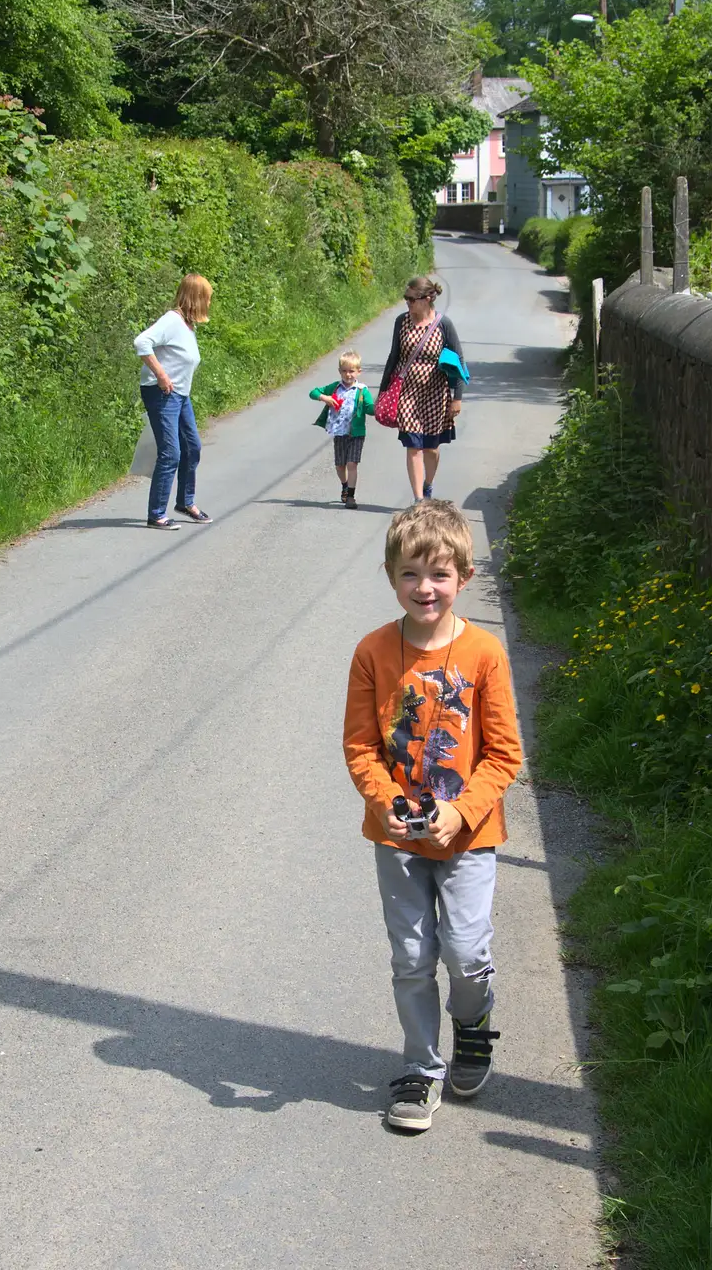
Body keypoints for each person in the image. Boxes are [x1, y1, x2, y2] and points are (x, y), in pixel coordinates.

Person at [343, 501, 522, 1132]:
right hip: (396, 836)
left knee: (465, 951)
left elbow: (504, 753)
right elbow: (361, 745)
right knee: (412, 957)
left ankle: (472, 1024)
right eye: (412, 574)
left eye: (440, 574)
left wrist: (461, 811)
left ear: (464, 577)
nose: (426, 588)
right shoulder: (372, 652)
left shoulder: (484, 654)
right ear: (391, 576)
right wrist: (385, 800)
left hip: (468, 835)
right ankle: (421, 1069)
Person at [133, 274, 213, 530]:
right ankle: (156, 514)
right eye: (207, 298)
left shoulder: (189, 326)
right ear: (196, 298)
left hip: (180, 395)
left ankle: (185, 502)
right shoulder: (172, 321)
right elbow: (141, 342)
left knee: (193, 447)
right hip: (162, 394)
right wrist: (161, 374)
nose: (209, 303)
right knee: (171, 453)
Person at [378, 276, 466, 503]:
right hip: (407, 393)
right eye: (406, 298)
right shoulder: (402, 321)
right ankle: (418, 500)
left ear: (427, 299)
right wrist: (383, 391)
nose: (407, 303)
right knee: (413, 446)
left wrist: (457, 398)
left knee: (431, 448)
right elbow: (393, 357)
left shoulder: (443, 324)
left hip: (436, 395)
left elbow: (458, 360)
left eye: (411, 299)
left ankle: (428, 485)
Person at [309, 350, 375, 509]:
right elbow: (313, 392)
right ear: (340, 371)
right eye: (344, 371)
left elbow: (369, 408)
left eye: (351, 371)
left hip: (356, 433)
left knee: (352, 464)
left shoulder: (361, 390)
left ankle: (351, 496)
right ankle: (344, 485)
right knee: (340, 465)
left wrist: (380, 409)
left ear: (359, 371)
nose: (348, 375)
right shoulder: (334, 387)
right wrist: (325, 398)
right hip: (339, 432)